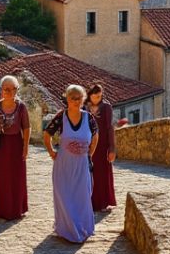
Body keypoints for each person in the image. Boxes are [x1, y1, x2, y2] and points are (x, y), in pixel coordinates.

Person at [43, 85, 98, 243]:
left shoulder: (89, 118)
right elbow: (47, 134)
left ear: (83, 100)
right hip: (64, 165)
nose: (76, 101)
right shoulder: (61, 117)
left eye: (79, 98)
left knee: (82, 197)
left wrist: (89, 154)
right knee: (64, 196)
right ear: (67, 99)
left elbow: (95, 136)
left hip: (81, 164)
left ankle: (81, 227)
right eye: (72, 98)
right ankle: (68, 230)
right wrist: (52, 152)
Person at [0, 75, 30, 220]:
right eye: (5, 89)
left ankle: (16, 209)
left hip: (16, 145)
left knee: (16, 177)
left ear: (16, 90)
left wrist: (26, 147)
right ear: (1, 90)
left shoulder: (21, 107)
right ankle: (0, 209)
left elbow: (26, 128)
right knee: (0, 177)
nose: (8, 92)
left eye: (12, 89)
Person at [87, 84, 117, 212]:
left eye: (99, 96)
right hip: (88, 144)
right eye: (94, 96)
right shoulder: (85, 107)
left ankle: (103, 202)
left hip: (102, 145)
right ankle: (88, 201)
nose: (97, 99)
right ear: (90, 96)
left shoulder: (106, 108)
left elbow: (109, 128)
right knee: (89, 173)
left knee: (102, 174)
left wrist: (112, 148)